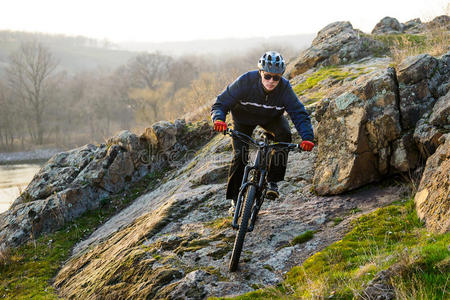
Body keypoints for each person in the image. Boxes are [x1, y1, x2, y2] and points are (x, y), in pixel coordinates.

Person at [211, 51, 314, 213]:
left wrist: (307, 137)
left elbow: (299, 113)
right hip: (243, 118)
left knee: (284, 135)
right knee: (240, 155)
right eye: (267, 76)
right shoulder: (245, 81)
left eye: (276, 78)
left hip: (271, 118)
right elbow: (221, 103)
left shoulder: (285, 88)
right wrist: (218, 119)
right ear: (260, 72)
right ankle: (234, 199)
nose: (271, 81)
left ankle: (273, 180)